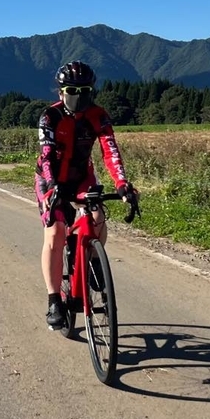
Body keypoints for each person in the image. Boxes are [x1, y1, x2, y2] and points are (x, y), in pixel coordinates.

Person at [35, 61, 138, 329]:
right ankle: (54, 300)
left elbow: (110, 151)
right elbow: (47, 156)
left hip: (82, 177)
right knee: (55, 234)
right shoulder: (50, 116)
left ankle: (92, 260)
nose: (78, 96)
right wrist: (52, 185)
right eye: (72, 90)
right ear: (61, 92)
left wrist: (122, 183)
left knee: (97, 216)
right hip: (50, 178)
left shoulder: (98, 115)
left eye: (85, 91)